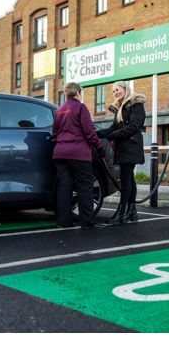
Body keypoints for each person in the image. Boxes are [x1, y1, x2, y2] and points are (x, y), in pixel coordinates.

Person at [53, 82, 107, 229]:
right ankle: (88, 222)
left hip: (60, 154)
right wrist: (99, 148)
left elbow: (55, 133)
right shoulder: (80, 107)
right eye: (81, 93)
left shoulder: (59, 110)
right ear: (77, 93)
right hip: (78, 154)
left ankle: (63, 221)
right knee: (86, 185)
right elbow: (89, 131)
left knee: (64, 187)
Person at [97, 81, 147, 224]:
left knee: (125, 178)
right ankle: (131, 210)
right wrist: (97, 133)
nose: (115, 93)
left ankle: (121, 212)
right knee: (129, 178)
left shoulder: (136, 105)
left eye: (117, 90)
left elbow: (133, 127)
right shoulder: (120, 109)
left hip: (131, 147)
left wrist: (111, 136)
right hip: (124, 147)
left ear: (125, 89)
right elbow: (113, 127)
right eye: (113, 91)